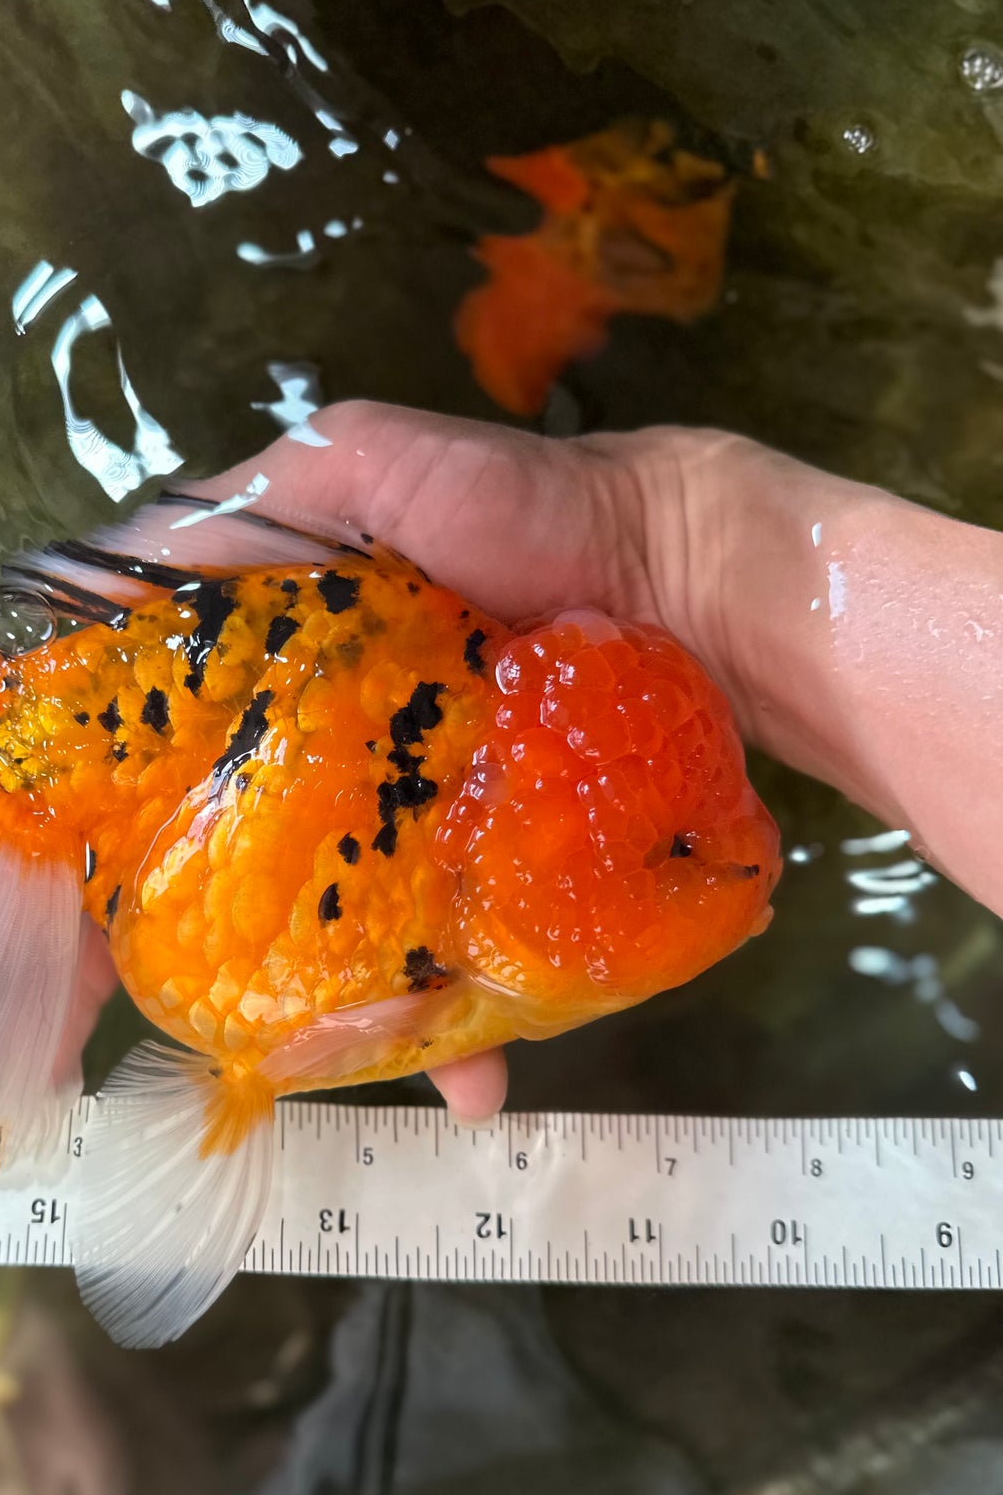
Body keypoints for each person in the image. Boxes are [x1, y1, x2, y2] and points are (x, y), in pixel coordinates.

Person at [67, 400, 1003, 1121]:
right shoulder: (449, 929)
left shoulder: (479, 867)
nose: (758, 859)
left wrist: (649, 528)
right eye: (671, 850)